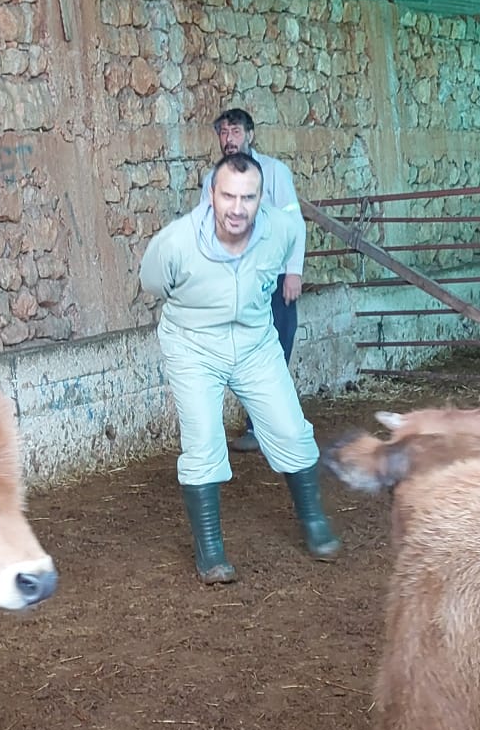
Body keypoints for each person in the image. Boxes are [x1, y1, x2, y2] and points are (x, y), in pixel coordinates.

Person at [140, 151, 340, 584]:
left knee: (291, 429)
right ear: (211, 194)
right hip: (194, 347)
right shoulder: (174, 243)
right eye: (228, 196)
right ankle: (210, 549)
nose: (237, 207)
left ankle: (313, 520)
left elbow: (292, 245)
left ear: (261, 198)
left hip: (255, 343)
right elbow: (154, 282)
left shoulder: (281, 229)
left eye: (248, 197)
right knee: (203, 440)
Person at [197, 108, 305, 454]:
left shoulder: (274, 172)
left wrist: (293, 271)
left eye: (235, 132)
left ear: (250, 135)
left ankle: (264, 427)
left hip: (274, 277)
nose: (229, 140)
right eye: (223, 133)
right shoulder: (212, 180)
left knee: (276, 349)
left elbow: (294, 223)